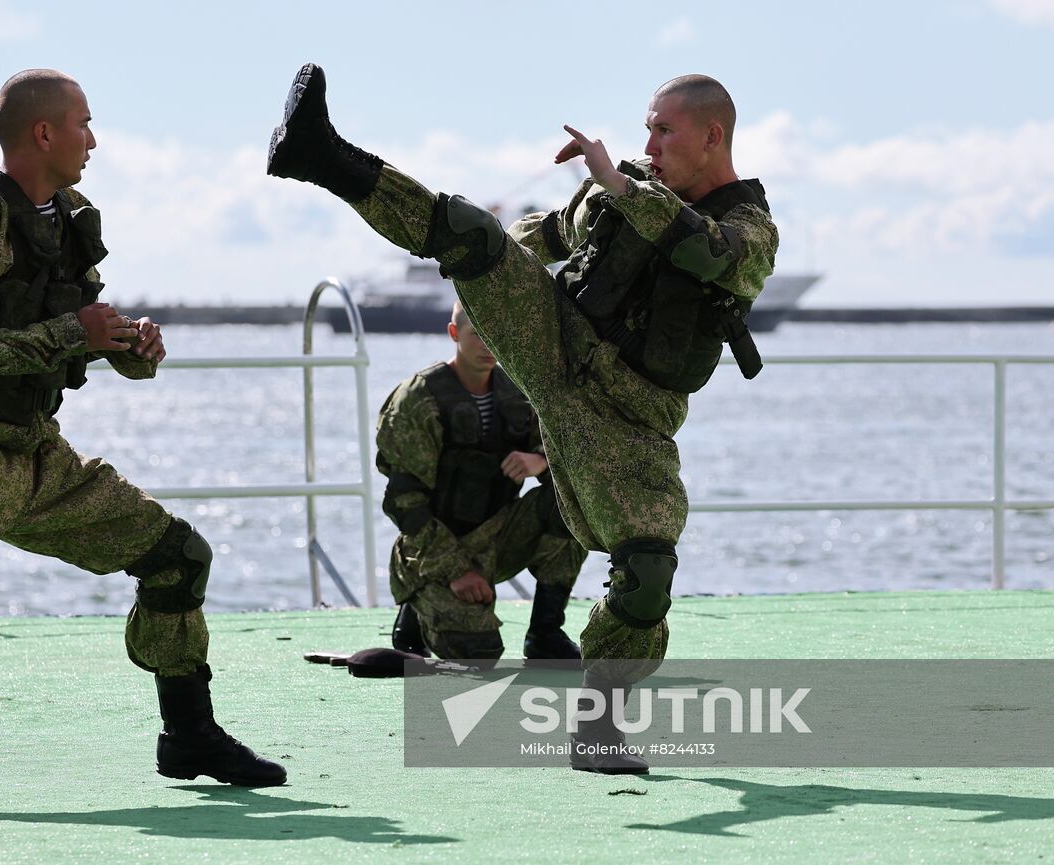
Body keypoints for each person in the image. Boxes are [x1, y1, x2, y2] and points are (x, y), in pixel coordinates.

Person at [268, 65, 778, 773]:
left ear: (712, 136)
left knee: (647, 571)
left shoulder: (749, 227)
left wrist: (625, 188)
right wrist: (491, 262)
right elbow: (552, 231)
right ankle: (319, 154)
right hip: (554, 338)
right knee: (471, 231)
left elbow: (712, 255)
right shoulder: (625, 181)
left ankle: (598, 725)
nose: (650, 142)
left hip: (628, 415)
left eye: (665, 129)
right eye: (647, 128)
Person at [0, 68, 284, 787]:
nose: (94, 139)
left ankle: (189, 735)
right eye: (84, 123)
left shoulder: (73, 219)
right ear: (43, 132)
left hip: (35, 454)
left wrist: (130, 346)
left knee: (178, 556)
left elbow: (80, 334)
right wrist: (70, 332)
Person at [378, 300, 585, 661]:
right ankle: (416, 609)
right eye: (477, 335)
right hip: (431, 548)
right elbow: (404, 503)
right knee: (478, 652)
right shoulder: (419, 399)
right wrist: (458, 571)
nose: (488, 345)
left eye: (494, 335)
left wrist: (540, 461)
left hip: (497, 534)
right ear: (454, 334)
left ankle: (545, 634)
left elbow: (573, 460)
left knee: (575, 503)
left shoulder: (518, 394)